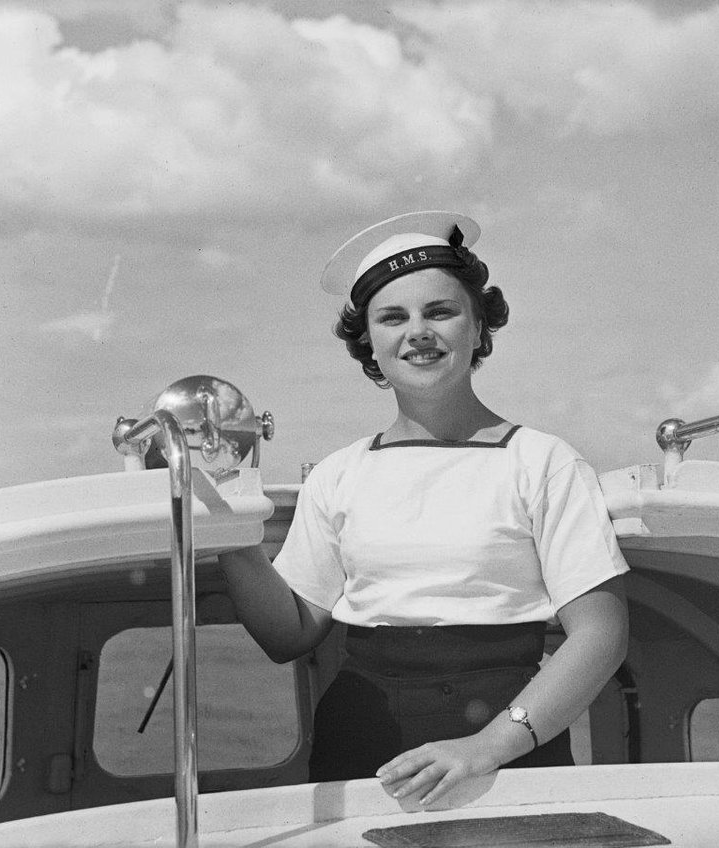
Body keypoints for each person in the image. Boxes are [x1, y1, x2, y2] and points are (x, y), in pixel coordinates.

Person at [218, 211, 629, 807]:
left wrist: (483, 748)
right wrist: (223, 522)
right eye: (393, 317)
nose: (418, 333)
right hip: (362, 738)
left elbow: (602, 634)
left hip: (509, 739)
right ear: (369, 342)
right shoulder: (340, 473)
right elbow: (291, 633)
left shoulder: (542, 461)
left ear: (478, 324)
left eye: (440, 311)